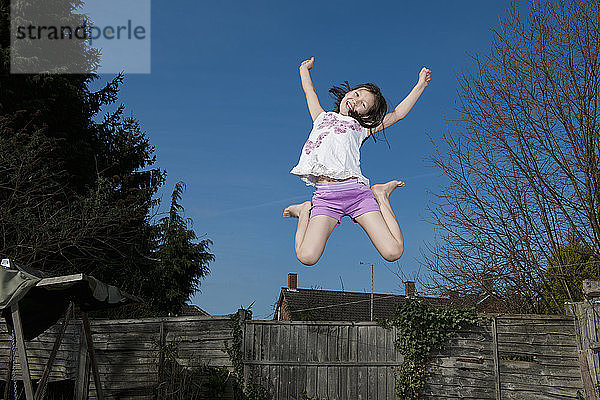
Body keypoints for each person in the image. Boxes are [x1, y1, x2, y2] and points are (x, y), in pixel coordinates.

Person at [284, 56, 431, 266]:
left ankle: (381, 195)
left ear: (367, 115)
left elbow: (398, 114)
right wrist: (303, 70)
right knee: (306, 257)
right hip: (326, 198)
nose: (356, 100)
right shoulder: (321, 117)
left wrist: (420, 86)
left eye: (363, 104)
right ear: (347, 93)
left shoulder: (362, 128)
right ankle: (303, 210)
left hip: (358, 194)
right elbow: (310, 92)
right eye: (356, 94)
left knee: (393, 252)